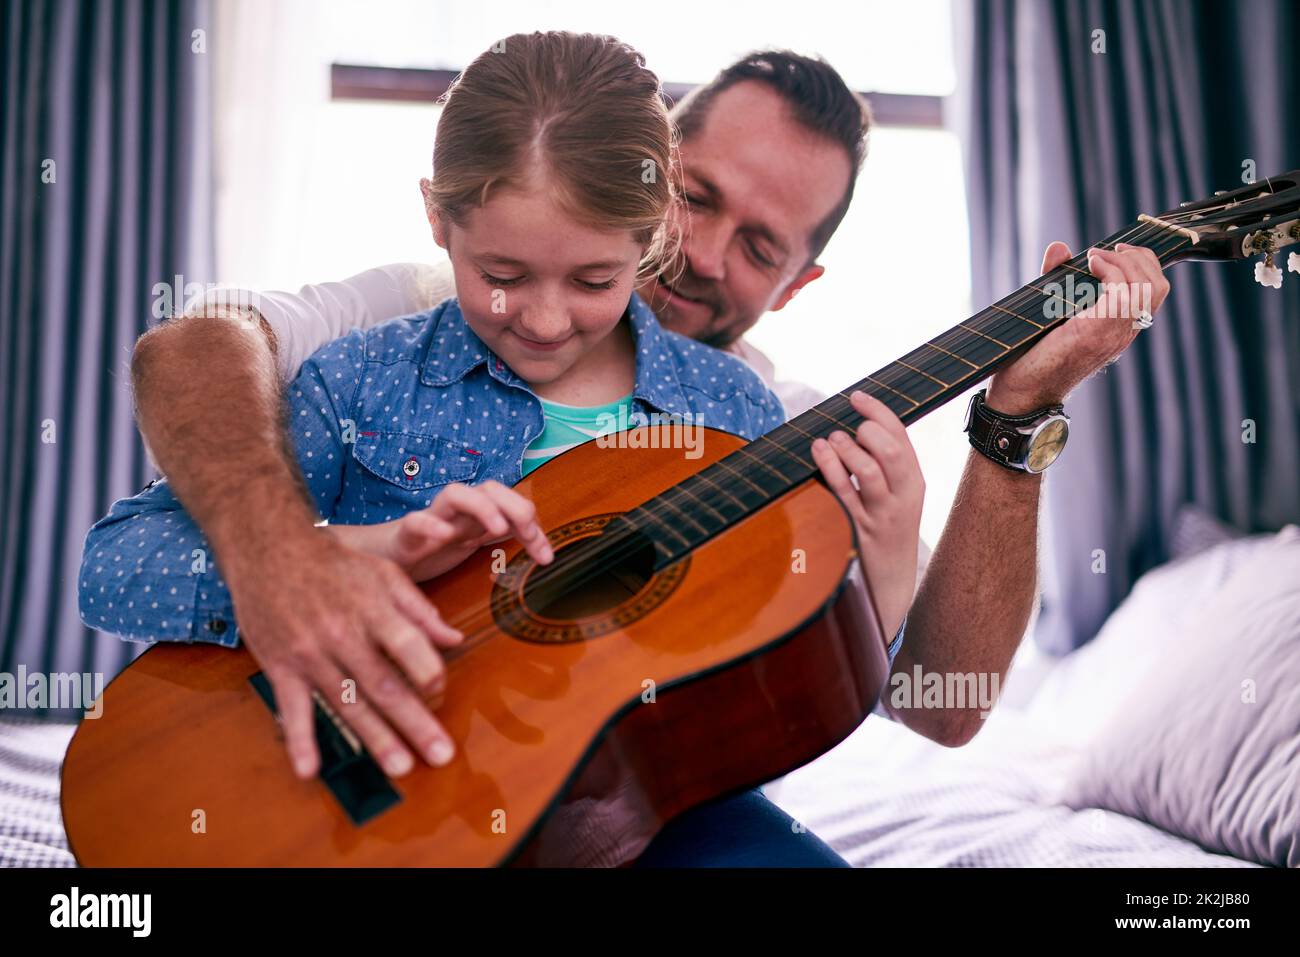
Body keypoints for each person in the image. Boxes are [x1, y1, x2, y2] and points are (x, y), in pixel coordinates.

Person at [104, 45, 1169, 866]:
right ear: (657, 181)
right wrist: (297, 557)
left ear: (796, 286)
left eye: (760, 246)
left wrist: (1011, 422)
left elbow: (937, 703)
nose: (702, 255)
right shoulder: (406, 331)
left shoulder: (766, 422)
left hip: (639, 817)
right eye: (700, 199)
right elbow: (189, 358)